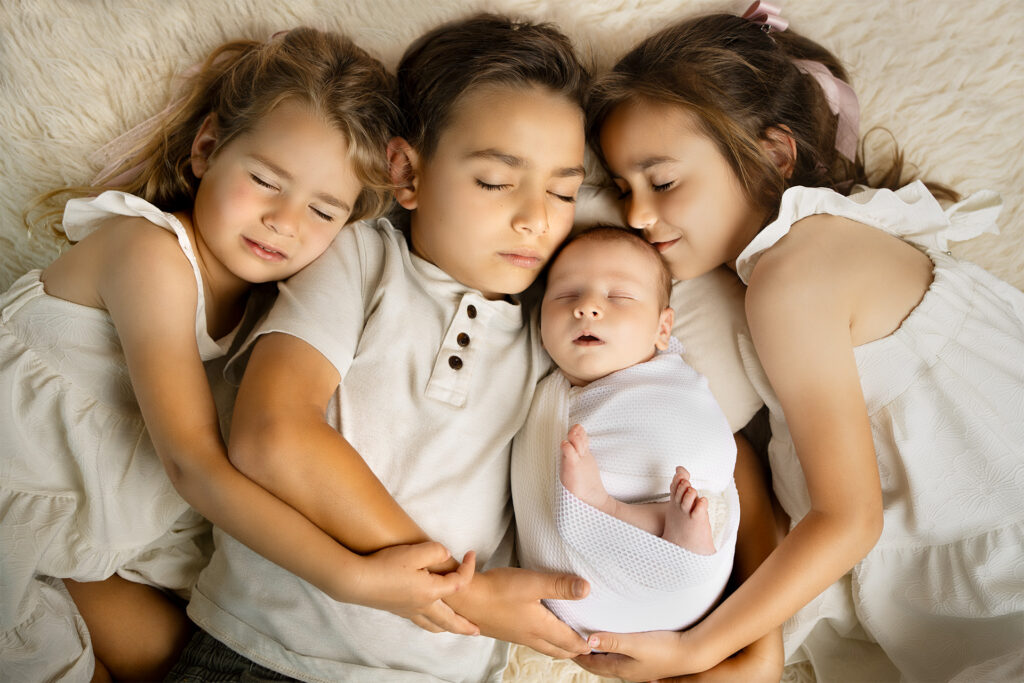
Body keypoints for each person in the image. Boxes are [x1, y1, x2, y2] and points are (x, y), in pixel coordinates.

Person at [0, 28, 463, 683]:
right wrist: (352, 578)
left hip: (85, 543)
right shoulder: (149, 254)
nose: (284, 220)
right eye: (266, 181)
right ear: (208, 147)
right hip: (16, 507)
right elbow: (192, 463)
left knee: (182, 657)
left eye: (323, 210)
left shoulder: (272, 317)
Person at [577, 6, 1024, 682]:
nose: (637, 216)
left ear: (774, 152)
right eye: (622, 189)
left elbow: (848, 519)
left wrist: (699, 647)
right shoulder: (840, 235)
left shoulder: (792, 278)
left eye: (663, 181)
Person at [169, 14, 595, 682]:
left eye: (565, 191)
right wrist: (459, 591)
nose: (536, 217)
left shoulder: (558, 331)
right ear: (406, 171)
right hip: (265, 651)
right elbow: (272, 434)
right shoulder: (360, 261)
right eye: (493, 181)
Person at [512, 226, 742, 638]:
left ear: (662, 328)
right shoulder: (539, 388)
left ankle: (615, 511)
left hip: (689, 579)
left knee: (697, 495)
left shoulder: (668, 382)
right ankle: (625, 517)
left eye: (618, 297)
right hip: (579, 597)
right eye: (566, 295)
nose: (587, 308)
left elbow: (707, 448)